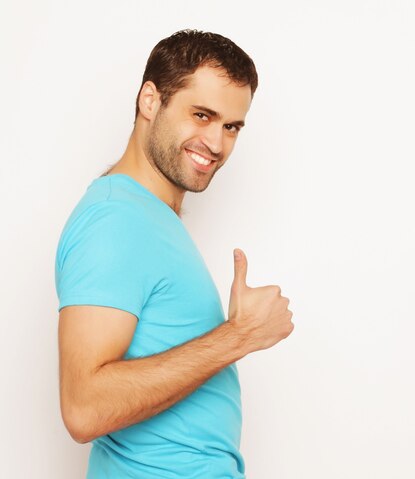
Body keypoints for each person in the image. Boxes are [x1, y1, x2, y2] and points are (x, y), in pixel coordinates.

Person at [54, 29, 294, 479]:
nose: (217, 144)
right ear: (150, 101)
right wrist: (238, 336)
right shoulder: (114, 220)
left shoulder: (149, 218)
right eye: (201, 114)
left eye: (231, 127)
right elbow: (83, 408)